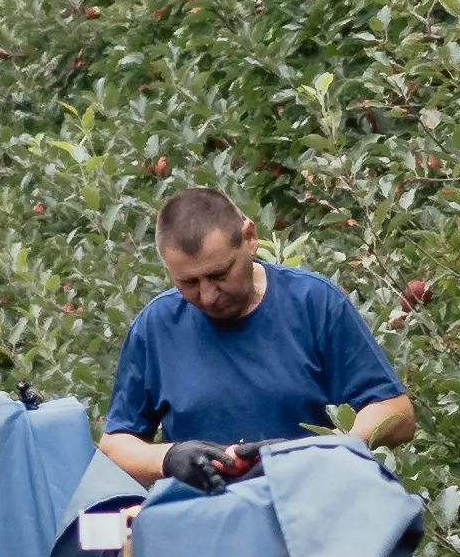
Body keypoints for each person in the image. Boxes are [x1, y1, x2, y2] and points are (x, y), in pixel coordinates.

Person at [99, 187, 412, 485]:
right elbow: (115, 446)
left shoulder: (313, 303)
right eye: (188, 282)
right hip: (205, 516)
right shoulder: (156, 327)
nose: (207, 296)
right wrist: (168, 458)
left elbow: (395, 412)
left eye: (219, 274)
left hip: (310, 509)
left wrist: (316, 454)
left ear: (250, 238)